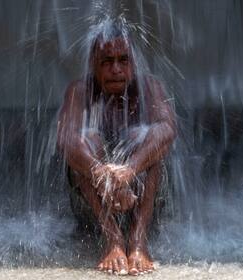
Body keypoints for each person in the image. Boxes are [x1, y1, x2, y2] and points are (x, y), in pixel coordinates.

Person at [57, 24, 177, 276]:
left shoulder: (148, 88)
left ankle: (137, 241)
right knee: (86, 142)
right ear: (93, 64)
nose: (116, 69)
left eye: (123, 60)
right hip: (94, 201)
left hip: (141, 194)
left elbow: (167, 131)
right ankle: (112, 239)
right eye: (107, 61)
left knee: (146, 138)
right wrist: (103, 174)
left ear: (134, 62)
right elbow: (66, 140)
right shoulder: (80, 91)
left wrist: (129, 170)